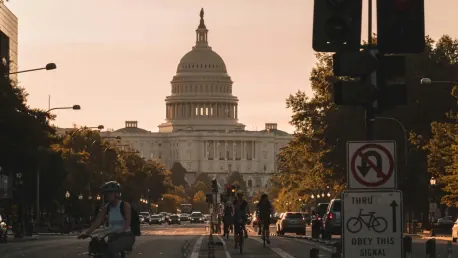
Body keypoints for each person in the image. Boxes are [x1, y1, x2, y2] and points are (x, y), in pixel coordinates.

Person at [78, 181, 136, 258]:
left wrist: (120, 232)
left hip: (126, 236)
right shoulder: (106, 207)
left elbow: (127, 222)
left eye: (110, 193)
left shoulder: (124, 205)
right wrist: (87, 233)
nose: (107, 196)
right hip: (112, 236)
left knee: (111, 249)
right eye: (106, 194)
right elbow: (97, 222)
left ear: (116, 194)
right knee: (96, 247)